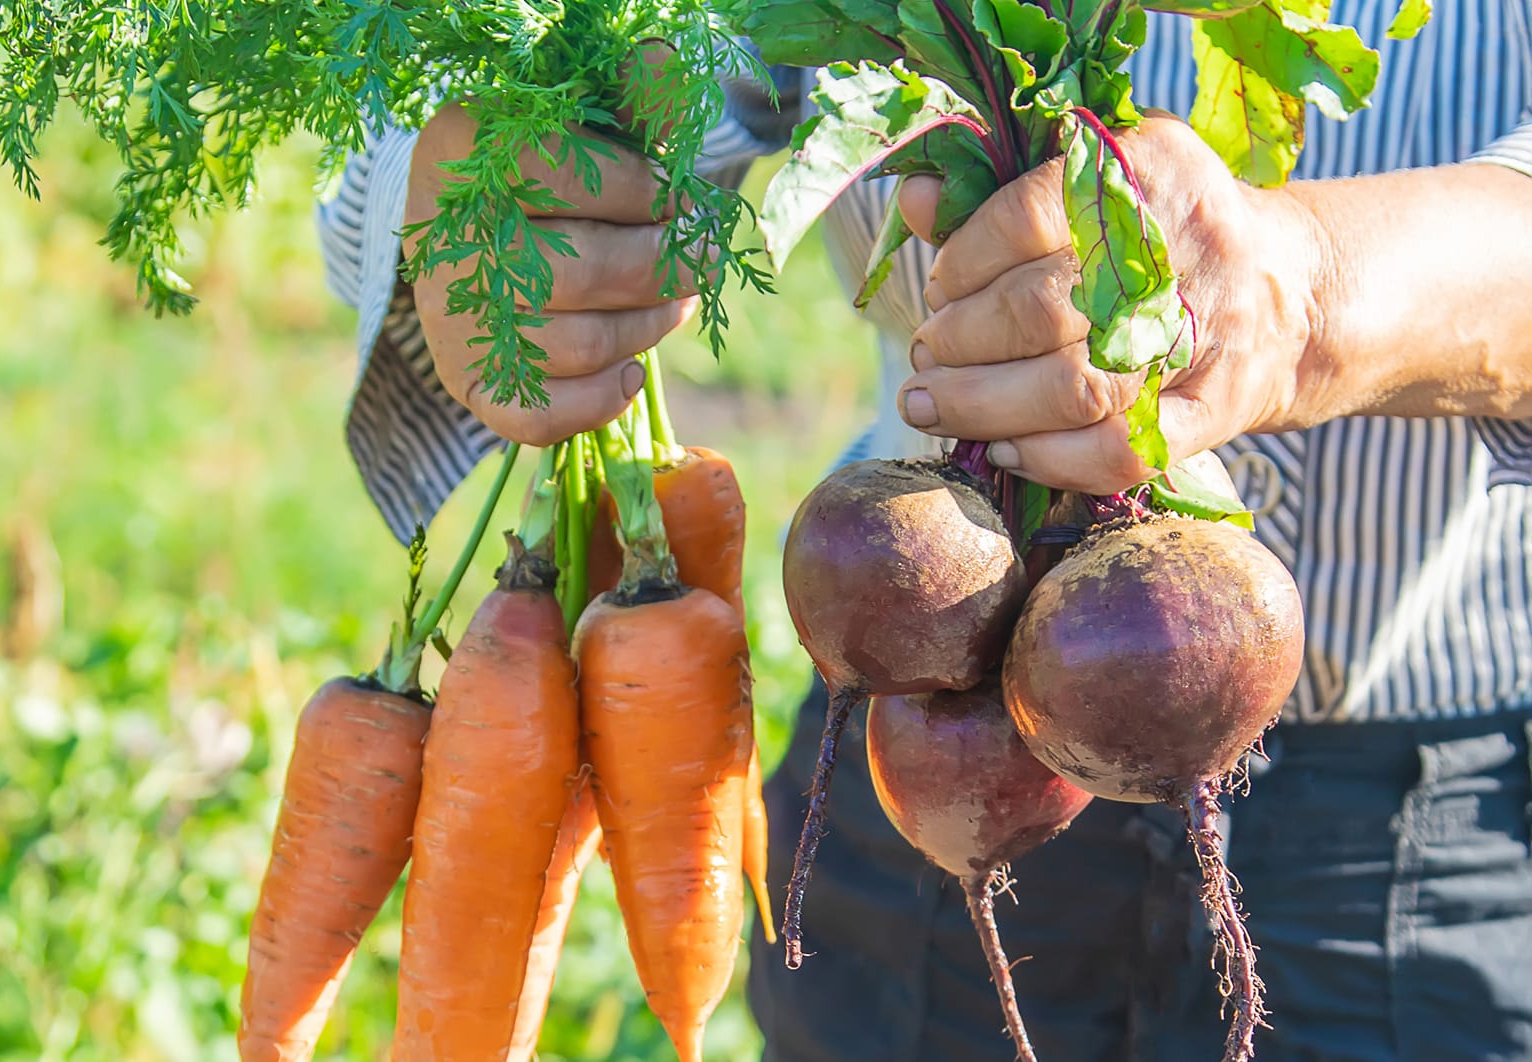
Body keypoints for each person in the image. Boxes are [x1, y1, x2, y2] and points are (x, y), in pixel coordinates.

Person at [318, 7, 1532, 1059]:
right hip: (922, 739)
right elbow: (572, 65)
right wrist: (482, 197)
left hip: (1426, 840)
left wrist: (1307, 293)